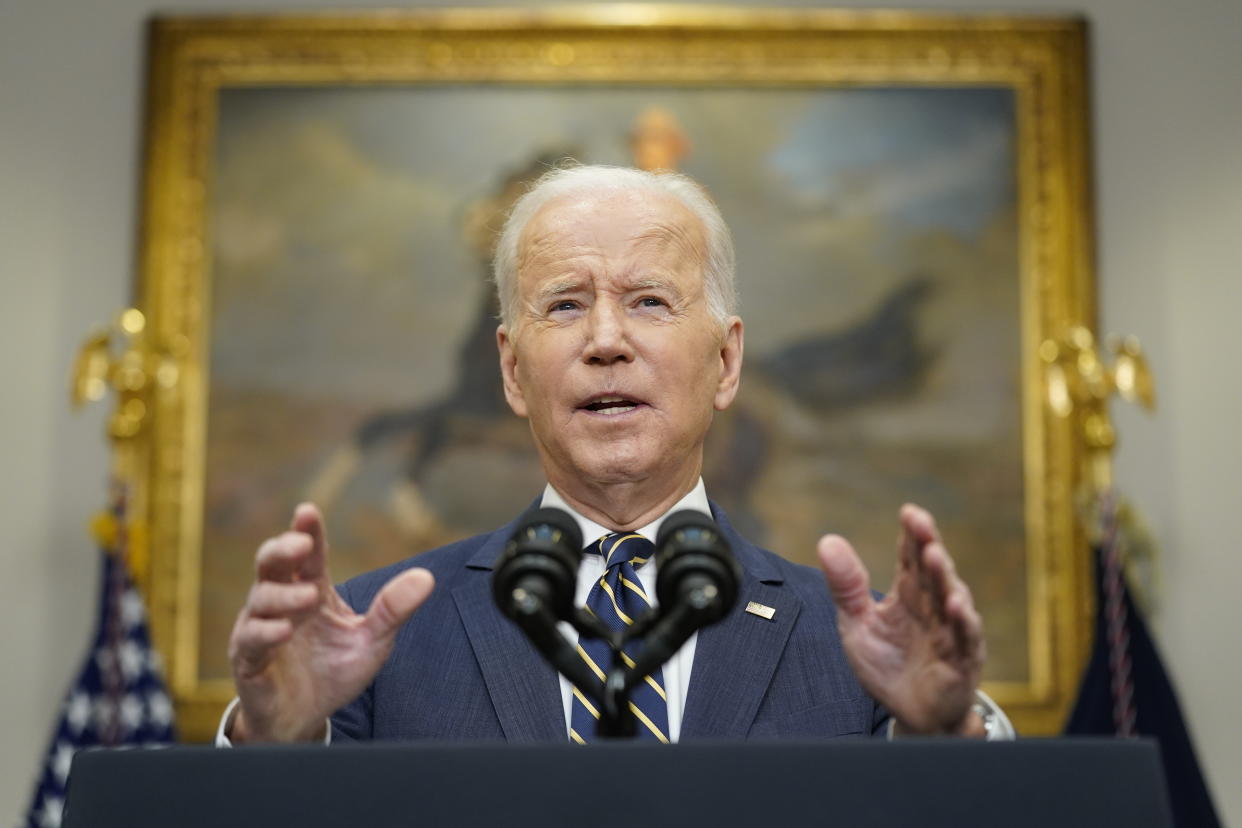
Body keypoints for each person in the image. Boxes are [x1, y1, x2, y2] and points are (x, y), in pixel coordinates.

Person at [220, 164, 1008, 745]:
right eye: (565, 305)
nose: (605, 341)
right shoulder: (372, 638)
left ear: (725, 363)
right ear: (511, 369)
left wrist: (948, 737)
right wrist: (274, 744)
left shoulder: (853, 647)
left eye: (649, 302)